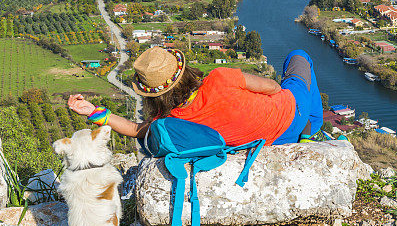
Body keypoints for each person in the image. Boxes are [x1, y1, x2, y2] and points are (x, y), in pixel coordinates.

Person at [68, 46, 323, 146]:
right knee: (299, 56)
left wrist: (92, 112)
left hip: (268, 143)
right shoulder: (219, 78)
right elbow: (273, 88)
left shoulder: (172, 121)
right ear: (184, 70)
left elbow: (135, 129)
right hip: (289, 115)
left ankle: (308, 129)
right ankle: (311, 129)